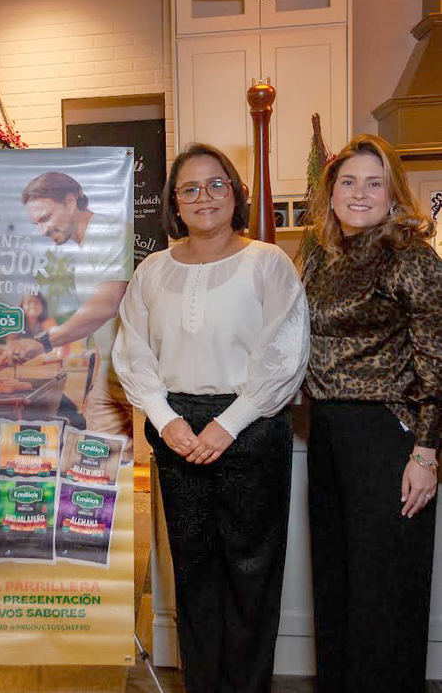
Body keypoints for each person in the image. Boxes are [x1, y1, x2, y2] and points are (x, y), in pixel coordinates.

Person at [112, 143, 310, 693]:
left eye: (217, 184)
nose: (205, 197)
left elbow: (286, 352)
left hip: (251, 427)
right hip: (176, 432)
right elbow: (132, 352)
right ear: (174, 203)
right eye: (191, 188)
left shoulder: (267, 262)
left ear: (236, 193)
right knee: (194, 578)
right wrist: (165, 419)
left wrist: (230, 423)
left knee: (251, 577)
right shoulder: (152, 271)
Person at [302, 133, 442, 693]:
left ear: (393, 193)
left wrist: (427, 453)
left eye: (373, 182)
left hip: (389, 436)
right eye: (348, 182)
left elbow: (438, 360)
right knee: (337, 588)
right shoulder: (321, 254)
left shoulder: (410, 256)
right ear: (331, 192)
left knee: (385, 595)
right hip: (329, 431)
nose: (359, 194)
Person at [17, 170, 133, 436]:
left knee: (113, 462)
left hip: (132, 373)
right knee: (103, 463)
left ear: (71, 201)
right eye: (36, 224)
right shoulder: (85, 244)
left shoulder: (107, 231)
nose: (42, 230)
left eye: (45, 218)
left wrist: (42, 341)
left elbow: (107, 303)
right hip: (108, 372)